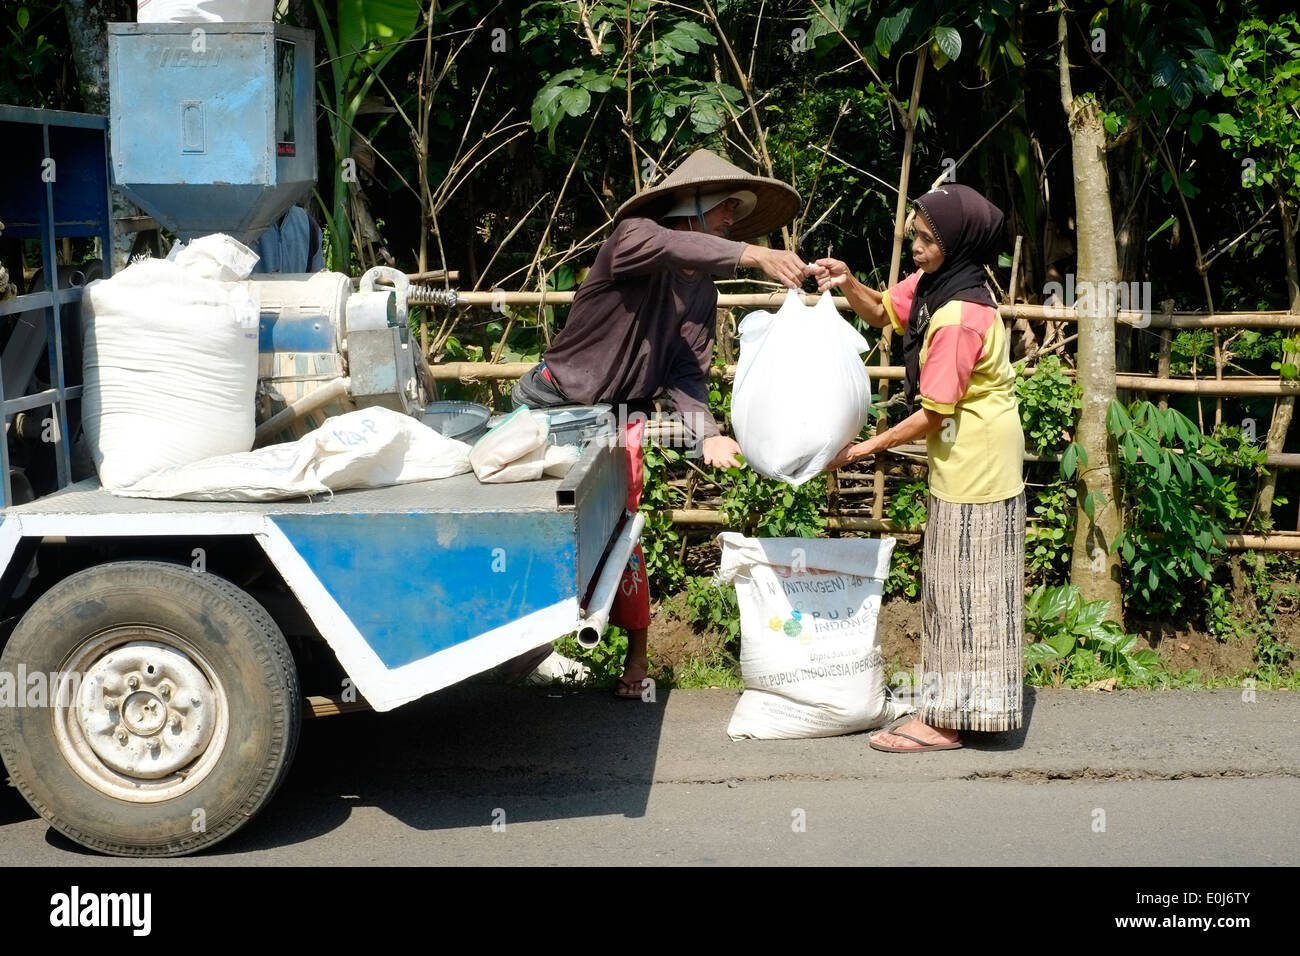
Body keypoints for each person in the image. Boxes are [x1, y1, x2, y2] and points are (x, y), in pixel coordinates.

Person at [512, 149, 806, 698]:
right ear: (688, 208)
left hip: (621, 419)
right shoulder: (634, 236)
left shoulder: (703, 291)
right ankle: (520, 651)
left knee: (622, 536)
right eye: (723, 211)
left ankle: (635, 663)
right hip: (552, 408)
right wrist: (751, 255)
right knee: (527, 534)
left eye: (736, 218)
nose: (730, 222)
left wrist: (708, 433)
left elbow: (685, 375)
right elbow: (672, 246)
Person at [808, 183, 1025, 751]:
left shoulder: (957, 315)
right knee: (972, 587)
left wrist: (861, 450)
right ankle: (971, 710)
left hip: (976, 462)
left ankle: (945, 722)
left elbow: (935, 411)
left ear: (954, 243)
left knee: (961, 589)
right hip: (971, 457)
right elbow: (882, 310)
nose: (916, 248)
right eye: (914, 237)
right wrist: (848, 281)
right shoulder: (939, 284)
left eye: (927, 240)